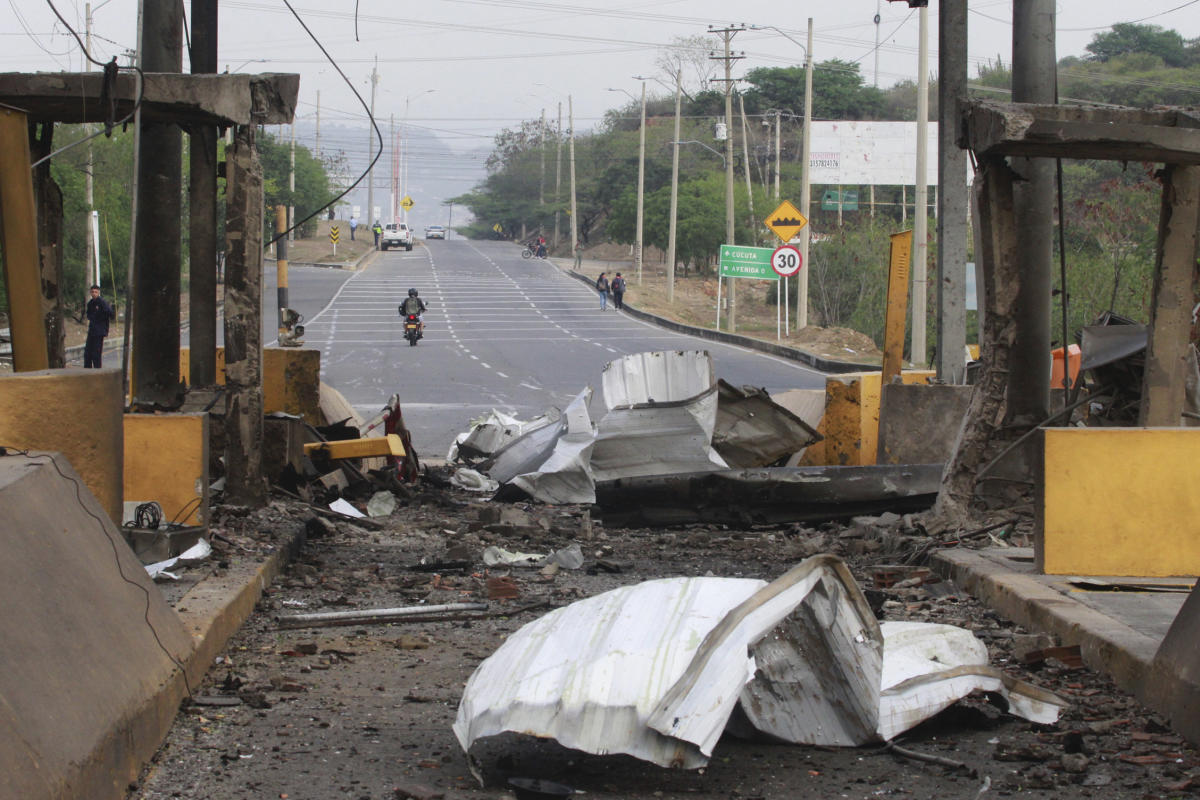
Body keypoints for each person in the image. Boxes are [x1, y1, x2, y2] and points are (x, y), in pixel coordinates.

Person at [84, 284, 114, 368]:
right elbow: (89, 315)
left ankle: (97, 370)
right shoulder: (90, 303)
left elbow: (110, 313)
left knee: (96, 353)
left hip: (100, 330)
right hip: (92, 329)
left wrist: (100, 316)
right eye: (92, 292)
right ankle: (87, 371)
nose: (94, 293)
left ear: (98, 292)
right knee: (87, 353)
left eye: (96, 292)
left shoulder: (102, 302)